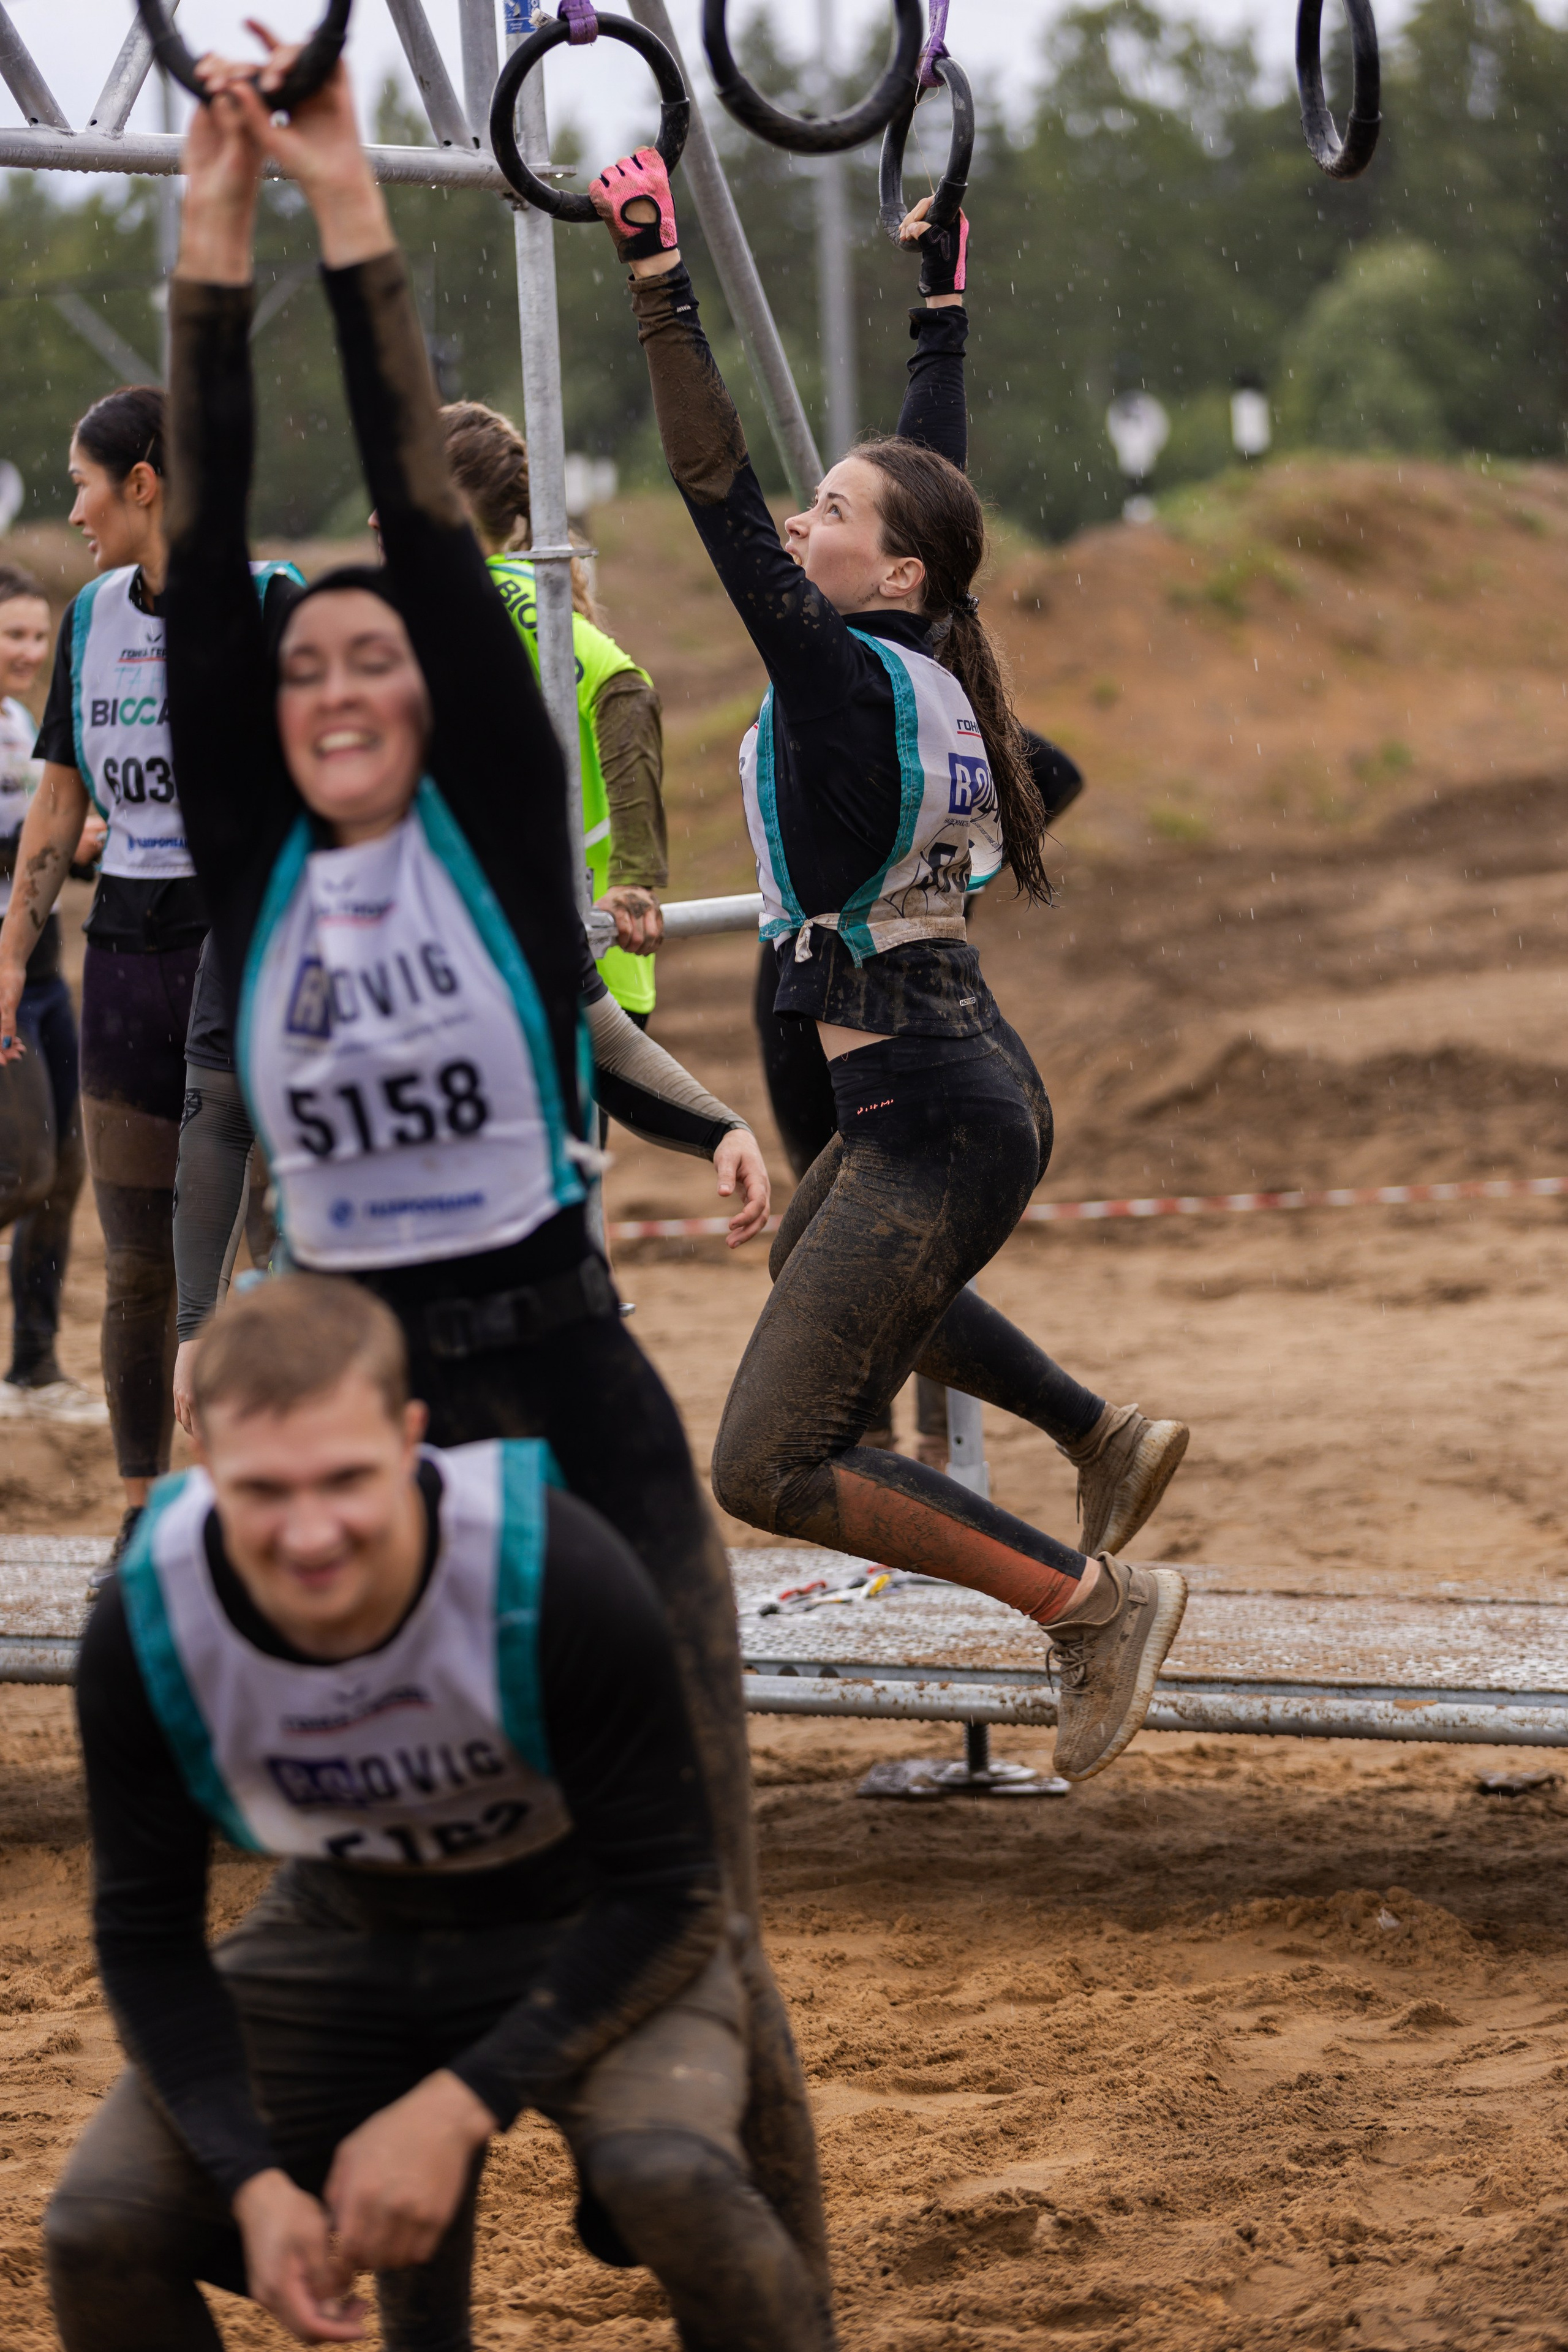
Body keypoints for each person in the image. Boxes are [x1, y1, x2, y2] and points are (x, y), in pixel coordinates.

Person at [156, 43, 830, 2320]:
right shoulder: (254, 892)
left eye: (380, 662)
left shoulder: (515, 874)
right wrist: (206, 234)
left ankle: (734, 2234)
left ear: (436, 708)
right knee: (396, 1908)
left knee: (705, 1895)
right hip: (388, 1440)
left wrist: (350, 199)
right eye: (302, 665)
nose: (341, 677)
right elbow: (207, 519)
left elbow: (429, 544)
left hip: (587, 1425)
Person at [592, 150, 1190, 1782]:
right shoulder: (926, 658)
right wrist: (943, 300)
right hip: (944, 1094)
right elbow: (933, 474)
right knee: (823, 1298)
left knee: (776, 1457)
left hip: (932, 1109)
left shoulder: (851, 680)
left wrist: (659, 291)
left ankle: (1090, 1606)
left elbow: (715, 492)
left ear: (898, 573)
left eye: (835, 517)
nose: (805, 524)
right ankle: (1096, 1434)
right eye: (817, 508)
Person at [46, 1273, 825, 2352]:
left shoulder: (553, 1567)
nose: (311, 1535)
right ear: (207, 1471)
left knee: (672, 2173)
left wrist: (457, 2106)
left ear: (414, 1441)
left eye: (348, 1480)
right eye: (265, 1491)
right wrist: (256, 2182)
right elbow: (143, 1936)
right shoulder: (149, 1616)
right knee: (99, 2226)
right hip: (342, 1920)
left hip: (586, 1913)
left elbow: (676, 1892)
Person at [0, 391, 300, 1562]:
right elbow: (61, 799)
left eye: (83, 482)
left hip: (252, 949)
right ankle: (142, 1528)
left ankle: (268, 1507)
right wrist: (13, 951)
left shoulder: (274, 603)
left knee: (270, 1255)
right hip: (126, 947)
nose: (72, 508)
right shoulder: (88, 614)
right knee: (137, 1262)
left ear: (145, 482)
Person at [439, 400, 666, 1024]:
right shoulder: (459, 597)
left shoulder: (492, 595)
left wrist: (635, 874)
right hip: (542, 960)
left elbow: (626, 690)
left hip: (561, 961)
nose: (379, 515)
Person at [0, 564, 105, 1424]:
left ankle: (32, 1364)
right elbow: (28, 833)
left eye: (40, 636)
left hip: (45, 969)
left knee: (67, 1171)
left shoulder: (17, 724)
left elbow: (50, 840)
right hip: (1, 978)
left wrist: (86, 844)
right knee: (24, 1173)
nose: (32, 652)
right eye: (16, 637)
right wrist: (55, 833)